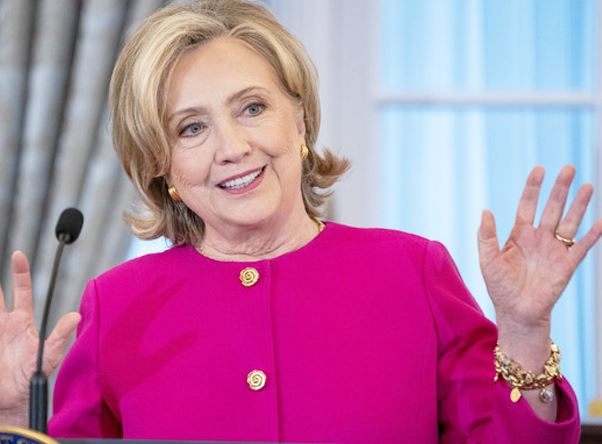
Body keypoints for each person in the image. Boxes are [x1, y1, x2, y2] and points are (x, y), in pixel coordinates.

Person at [0, 0, 599, 442]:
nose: (233, 147)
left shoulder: (412, 271)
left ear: (301, 120)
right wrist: (11, 418)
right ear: (162, 166)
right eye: (192, 127)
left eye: (252, 107)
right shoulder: (117, 304)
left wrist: (524, 332)